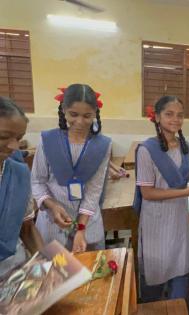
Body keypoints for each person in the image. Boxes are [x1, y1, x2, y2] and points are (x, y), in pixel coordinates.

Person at [135, 95, 189, 302]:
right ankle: (151, 305)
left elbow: (184, 176)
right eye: (169, 114)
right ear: (157, 117)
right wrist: (187, 192)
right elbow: (148, 193)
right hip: (155, 219)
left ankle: (177, 305)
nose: (175, 119)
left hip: (178, 217)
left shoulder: (184, 147)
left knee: (180, 263)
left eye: (180, 115)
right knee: (156, 266)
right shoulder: (146, 150)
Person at [31, 84, 111, 253]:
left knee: (90, 272)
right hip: (52, 224)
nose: (80, 122)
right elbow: (37, 181)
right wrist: (51, 205)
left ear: (95, 113)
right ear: (64, 110)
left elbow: (94, 190)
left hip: (88, 225)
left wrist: (81, 228)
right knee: (57, 275)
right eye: (73, 114)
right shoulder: (48, 140)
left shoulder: (102, 145)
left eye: (87, 116)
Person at [0, 97, 43, 277]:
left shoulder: (19, 173)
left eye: (19, 138)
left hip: (12, 271)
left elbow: (27, 228)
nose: (13, 146)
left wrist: (51, 268)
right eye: (3, 137)